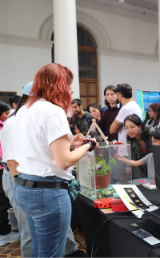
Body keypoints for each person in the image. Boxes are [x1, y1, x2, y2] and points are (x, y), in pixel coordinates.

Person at [12, 63, 98, 257]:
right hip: (47, 192)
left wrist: (69, 141)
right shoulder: (53, 110)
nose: (69, 91)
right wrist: (88, 146)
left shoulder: (26, 109)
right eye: (68, 85)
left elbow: (38, 146)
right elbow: (64, 161)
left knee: (38, 251)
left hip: (24, 186)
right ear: (59, 85)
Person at [2, 81, 84, 257]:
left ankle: (71, 252)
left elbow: (42, 145)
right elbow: (12, 162)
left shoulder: (28, 115)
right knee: (33, 236)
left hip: (33, 181)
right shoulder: (18, 119)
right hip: (26, 179)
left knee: (46, 238)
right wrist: (22, 186)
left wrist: (70, 141)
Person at [0, 100, 18, 246]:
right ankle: (4, 233)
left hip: (4, 165)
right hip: (3, 167)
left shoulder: (4, 125)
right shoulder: (2, 127)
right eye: (6, 113)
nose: (7, 116)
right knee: (2, 201)